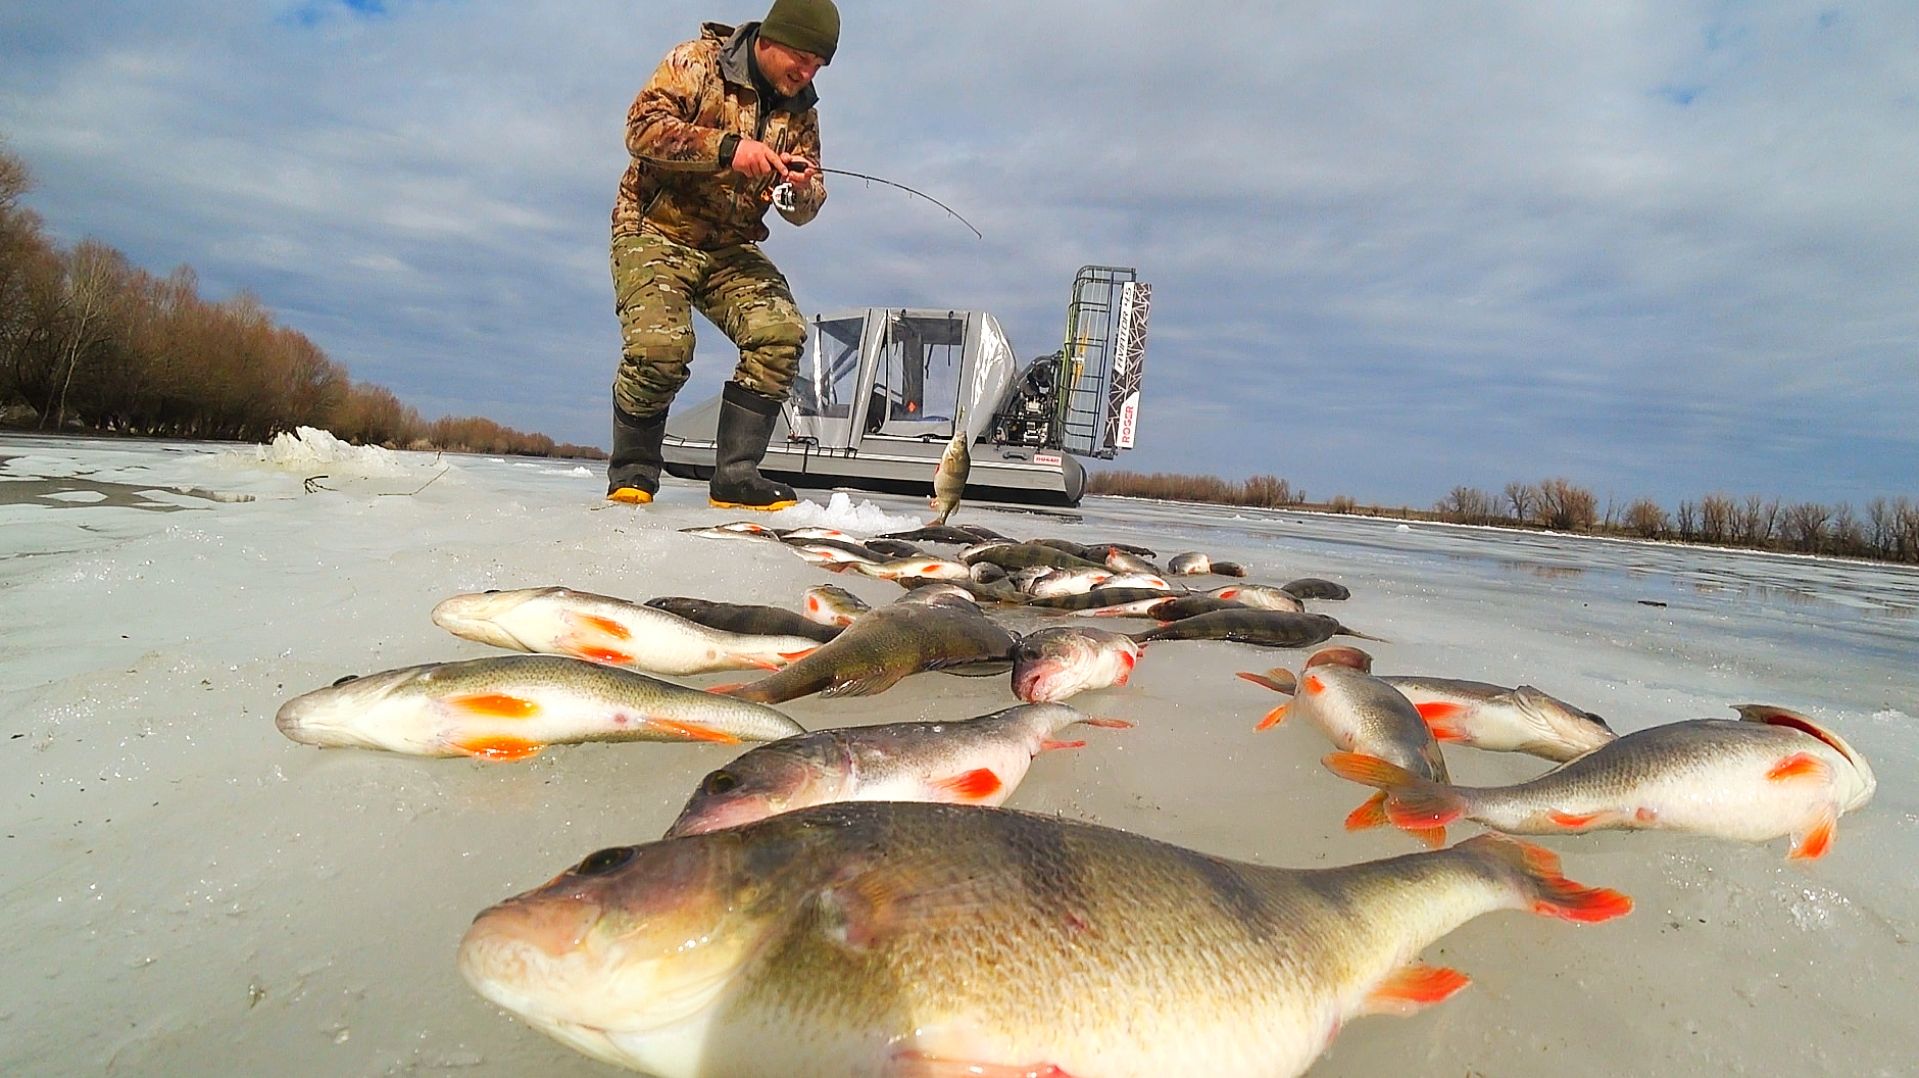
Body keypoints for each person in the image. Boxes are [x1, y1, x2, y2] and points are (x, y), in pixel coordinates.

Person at [604, 0, 838, 509]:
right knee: (661, 351)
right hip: (654, 230)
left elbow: (807, 204)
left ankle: (735, 475)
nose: (806, 72)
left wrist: (799, 189)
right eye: (800, 57)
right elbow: (640, 130)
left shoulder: (802, 113)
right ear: (770, 39)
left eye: (818, 64)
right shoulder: (696, 64)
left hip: (729, 246)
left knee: (780, 334)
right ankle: (633, 471)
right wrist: (728, 147)